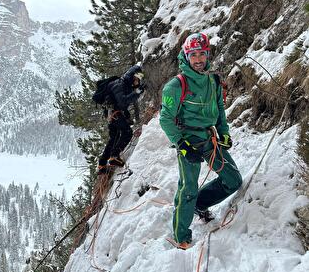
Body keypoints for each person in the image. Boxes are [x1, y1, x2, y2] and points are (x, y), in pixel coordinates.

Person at [159, 33, 242, 249]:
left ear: (207, 55)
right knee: (188, 188)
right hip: (188, 140)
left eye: (202, 54)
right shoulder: (175, 87)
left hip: (210, 138)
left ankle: (200, 204)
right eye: (193, 54)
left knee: (233, 179)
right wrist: (183, 145)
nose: (198, 59)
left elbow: (220, 111)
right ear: (186, 56)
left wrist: (224, 132)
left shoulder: (213, 81)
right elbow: (166, 119)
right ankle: (181, 236)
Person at [97, 65, 144, 174]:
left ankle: (102, 165)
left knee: (114, 138)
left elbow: (120, 102)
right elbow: (123, 101)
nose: (137, 81)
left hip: (111, 113)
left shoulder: (125, 85)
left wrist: (126, 115)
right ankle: (114, 156)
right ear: (132, 76)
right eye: (137, 78)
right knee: (127, 133)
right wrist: (137, 92)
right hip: (114, 112)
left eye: (139, 79)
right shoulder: (119, 83)